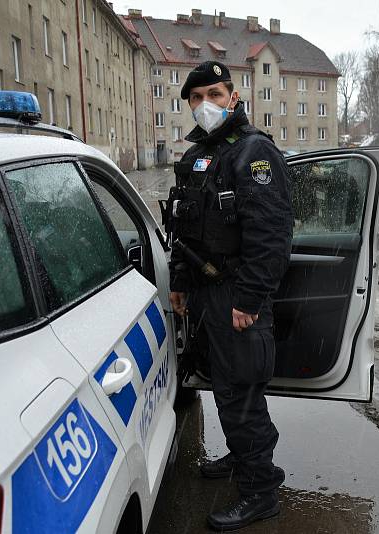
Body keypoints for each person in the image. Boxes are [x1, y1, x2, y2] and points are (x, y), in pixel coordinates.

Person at [167, 61, 293, 531]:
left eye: (215, 95)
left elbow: (271, 236)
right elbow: (183, 227)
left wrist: (250, 299)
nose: (205, 106)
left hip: (237, 296)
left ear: (234, 98)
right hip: (204, 292)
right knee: (225, 387)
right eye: (196, 98)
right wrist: (180, 281)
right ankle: (245, 458)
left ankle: (260, 491)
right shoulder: (198, 155)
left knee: (241, 394)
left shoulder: (253, 153)